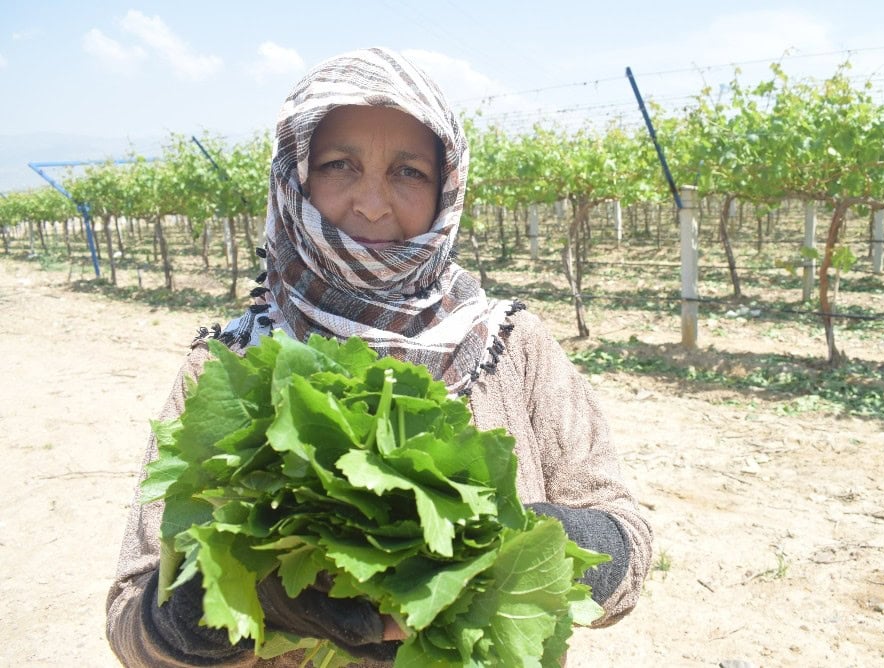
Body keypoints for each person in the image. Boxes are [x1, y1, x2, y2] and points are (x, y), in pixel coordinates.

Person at [106, 46, 652, 667]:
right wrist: (241, 599)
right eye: (340, 165)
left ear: (447, 187)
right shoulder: (228, 365)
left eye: (409, 171)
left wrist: (507, 540)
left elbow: (626, 545)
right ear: (296, 180)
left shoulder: (511, 346)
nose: (371, 203)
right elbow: (132, 624)